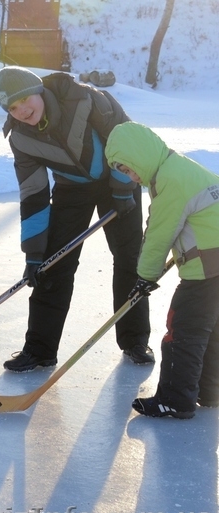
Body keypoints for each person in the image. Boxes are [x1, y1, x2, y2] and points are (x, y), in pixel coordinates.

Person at [0, 65, 152, 372]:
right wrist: (34, 254)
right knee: (52, 265)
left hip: (118, 180)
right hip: (72, 190)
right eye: (13, 107)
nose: (22, 110)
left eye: (25, 99)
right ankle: (39, 350)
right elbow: (33, 193)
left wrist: (122, 187)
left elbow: (127, 138)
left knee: (130, 258)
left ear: (38, 89)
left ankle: (134, 340)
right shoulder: (21, 139)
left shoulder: (86, 99)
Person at [106, 122, 219, 419]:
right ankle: (209, 392)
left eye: (130, 169)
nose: (132, 177)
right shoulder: (181, 166)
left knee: (181, 331)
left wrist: (145, 276)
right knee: (209, 331)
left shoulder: (169, 178)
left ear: (141, 154)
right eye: (125, 173)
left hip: (207, 267)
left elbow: (159, 232)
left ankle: (175, 399)